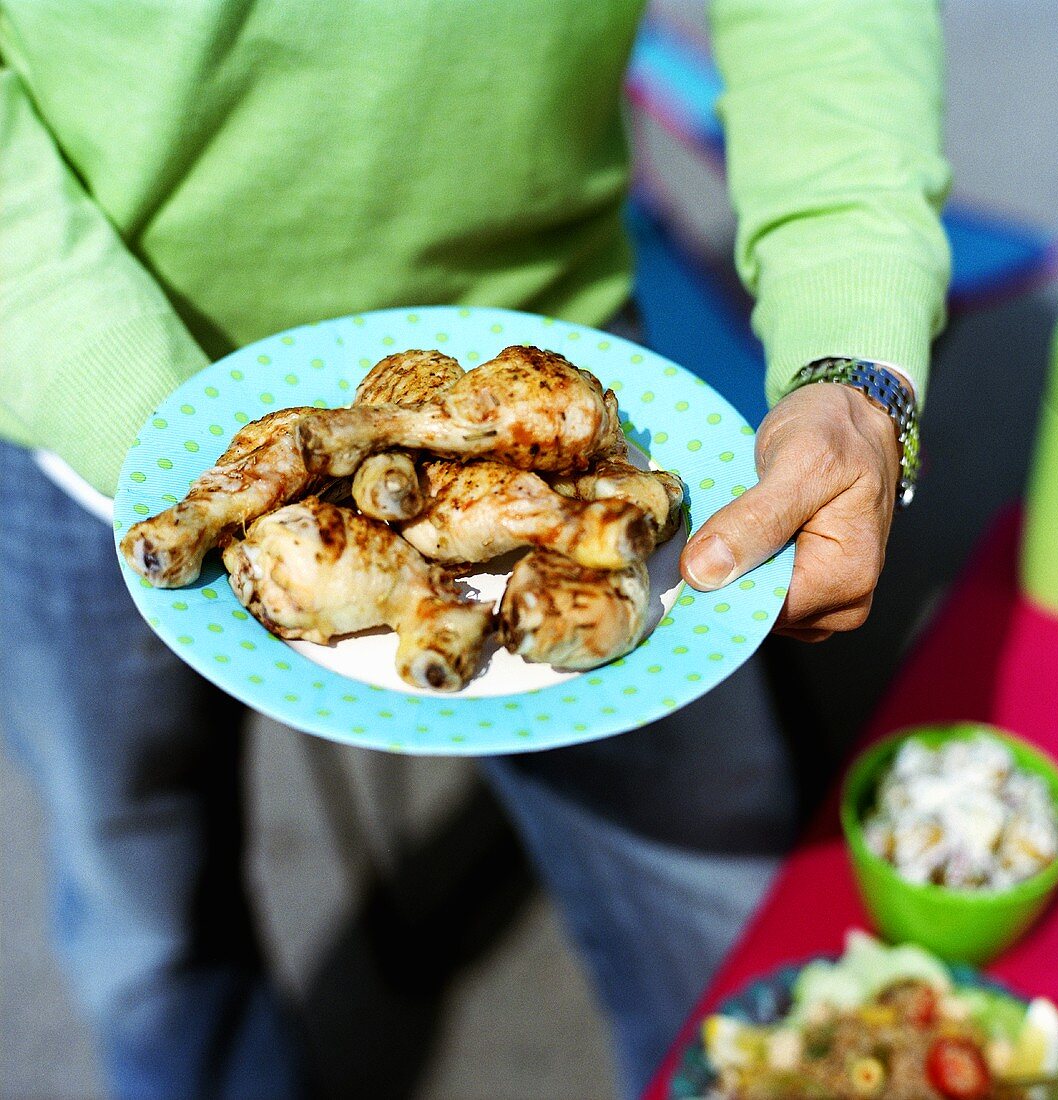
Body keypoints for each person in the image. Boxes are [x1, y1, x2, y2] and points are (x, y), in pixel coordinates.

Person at [0, 2, 950, 1097]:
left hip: (557, 369)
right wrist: (169, 442)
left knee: (732, 935)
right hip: (69, 368)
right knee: (145, 924)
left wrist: (856, 362)